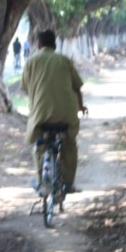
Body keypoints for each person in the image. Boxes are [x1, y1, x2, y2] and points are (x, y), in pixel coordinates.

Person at [21, 29, 87, 193]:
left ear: (38, 45)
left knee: (39, 146)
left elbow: (26, 89)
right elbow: (77, 87)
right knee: (70, 145)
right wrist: (81, 106)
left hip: (40, 115)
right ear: (54, 45)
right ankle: (68, 184)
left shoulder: (31, 62)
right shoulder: (64, 60)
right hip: (65, 114)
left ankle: (40, 181)